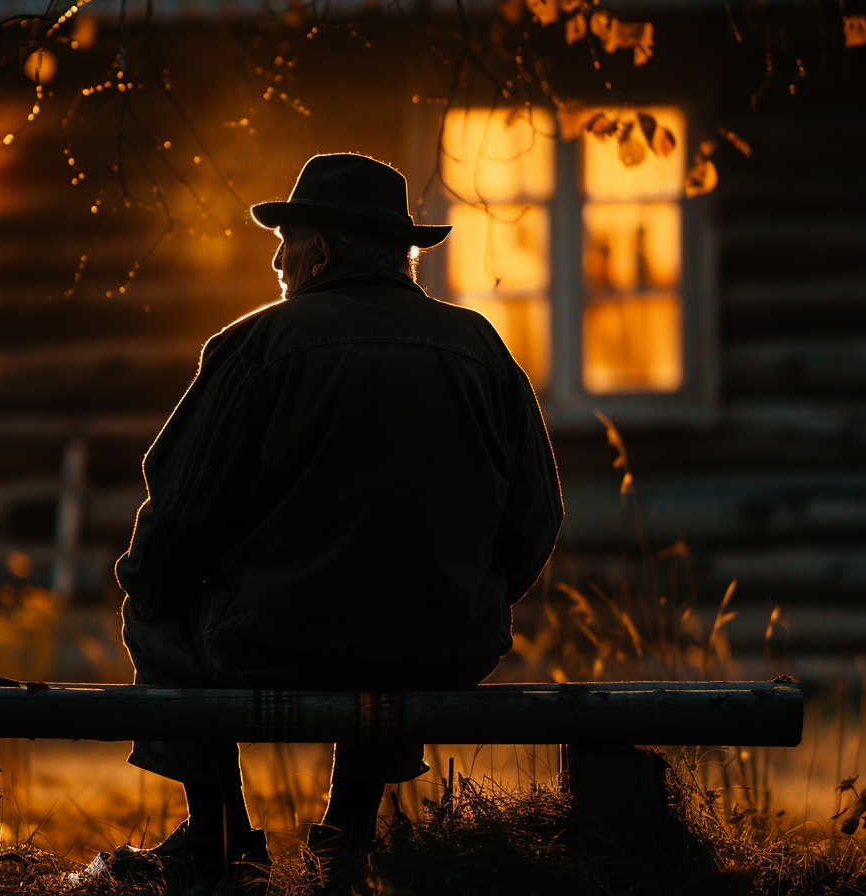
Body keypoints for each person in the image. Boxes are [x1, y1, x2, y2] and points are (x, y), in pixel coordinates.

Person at [109, 152, 563, 894]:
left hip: (275, 643)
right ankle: (347, 838)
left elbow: (180, 512)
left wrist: (151, 586)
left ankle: (218, 839)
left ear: (319, 253)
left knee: (155, 608)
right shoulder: (480, 348)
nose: (278, 260)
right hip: (442, 647)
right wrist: (463, 596)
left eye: (287, 241)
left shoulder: (258, 345)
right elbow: (537, 518)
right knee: (394, 628)